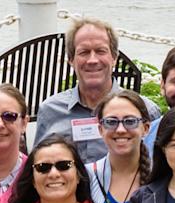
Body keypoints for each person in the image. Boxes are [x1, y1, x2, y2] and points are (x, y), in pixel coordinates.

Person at [34, 20, 126, 164]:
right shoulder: (50, 111)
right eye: (84, 52)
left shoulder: (144, 111)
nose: (92, 60)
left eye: (100, 51)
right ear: (71, 60)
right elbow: (39, 166)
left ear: (114, 57)